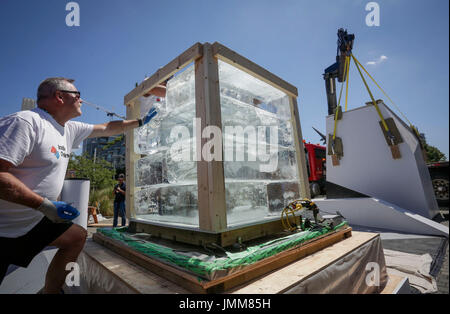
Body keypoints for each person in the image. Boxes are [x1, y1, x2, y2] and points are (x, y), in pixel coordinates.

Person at [0, 77, 162, 293]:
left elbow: (107, 126)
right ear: (59, 96)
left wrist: (140, 122)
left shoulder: (69, 129)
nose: (82, 101)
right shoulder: (26, 122)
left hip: (31, 223)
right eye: (78, 95)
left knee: (76, 236)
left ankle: (51, 292)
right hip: (3, 229)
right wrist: (44, 205)